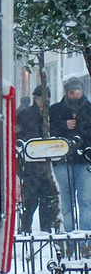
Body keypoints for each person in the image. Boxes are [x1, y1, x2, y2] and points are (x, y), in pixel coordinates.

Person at [49, 76, 91, 232]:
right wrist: (63, 126)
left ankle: (86, 239)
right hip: (63, 161)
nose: (75, 95)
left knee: (86, 200)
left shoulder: (88, 109)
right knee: (66, 202)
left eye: (77, 91)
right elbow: (47, 130)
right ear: (67, 92)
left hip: (85, 160)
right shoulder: (55, 110)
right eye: (71, 92)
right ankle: (69, 238)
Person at [16, 86, 58, 234]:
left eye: (46, 99)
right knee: (30, 201)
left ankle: (45, 230)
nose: (43, 102)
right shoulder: (25, 115)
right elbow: (18, 137)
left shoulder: (52, 115)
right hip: (30, 165)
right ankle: (26, 228)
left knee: (47, 200)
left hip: (46, 164)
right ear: (35, 98)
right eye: (41, 98)